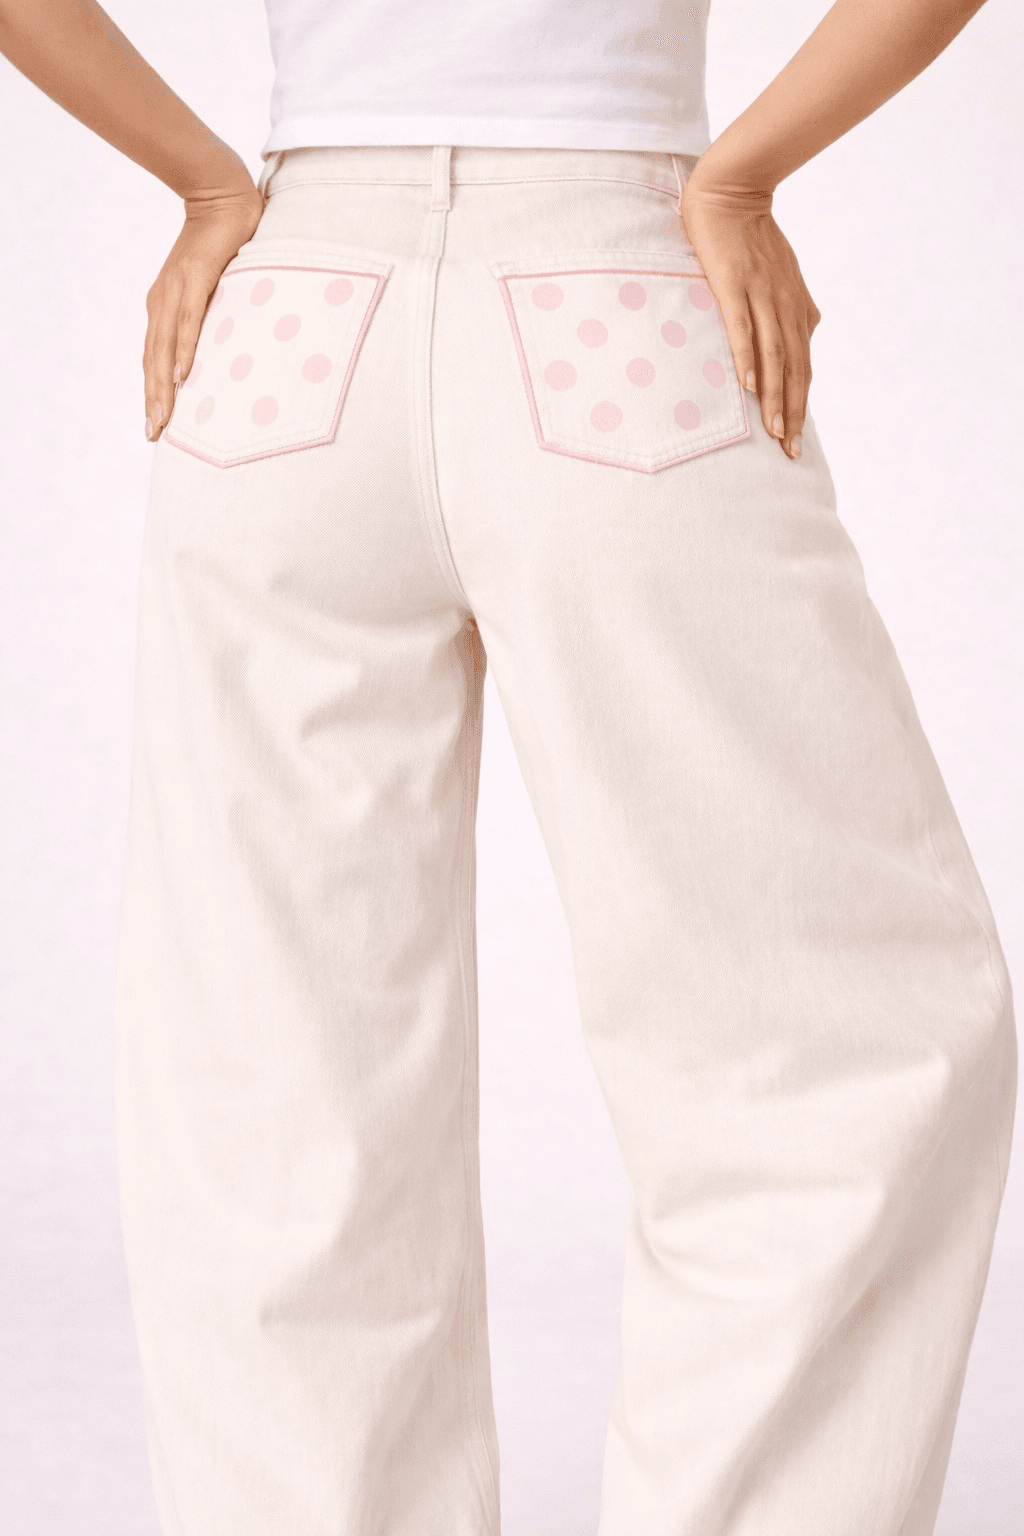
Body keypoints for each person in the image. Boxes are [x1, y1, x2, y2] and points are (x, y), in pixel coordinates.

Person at [1, 1, 1016, 1532]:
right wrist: (743, 179)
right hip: (619, 307)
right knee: (824, 1049)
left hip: (286, 321)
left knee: (272, 1085)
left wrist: (210, 188)